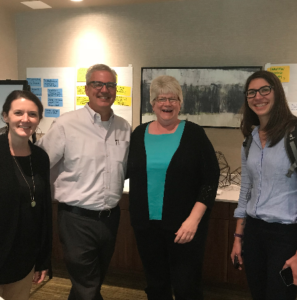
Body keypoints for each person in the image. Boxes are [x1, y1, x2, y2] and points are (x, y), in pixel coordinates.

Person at [36, 64, 131, 300]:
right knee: (88, 286)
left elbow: (125, 169)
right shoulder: (66, 125)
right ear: (87, 89)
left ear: (115, 90)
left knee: (92, 282)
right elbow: (40, 164)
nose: (104, 89)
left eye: (110, 85)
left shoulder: (124, 128)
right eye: (97, 84)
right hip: (76, 220)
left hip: (110, 218)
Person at [127, 75, 219, 300]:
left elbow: (210, 178)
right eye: (161, 99)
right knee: (156, 285)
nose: (167, 104)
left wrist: (193, 220)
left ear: (180, 103)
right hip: (147, 226)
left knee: (186, 286)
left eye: (172, 99)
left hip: (184, 227)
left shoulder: (194, 134)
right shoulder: (139, 134)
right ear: (152, 104)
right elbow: (127, 170)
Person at [230, 70, 297, 300]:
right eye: (251, 92)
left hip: (286, 234)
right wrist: (239, 238)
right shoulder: (250, 139)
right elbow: (246, 189)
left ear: (276, 92)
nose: (258, 97)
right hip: (255, 233)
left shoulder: (294, 133)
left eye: (264, 90)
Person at [0, 90, 52, 300]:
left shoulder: (40, 157)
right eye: (18, 113)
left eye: (32, 114)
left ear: (39, 119)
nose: (25, 119)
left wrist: (42, 260)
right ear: (5, 116)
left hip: (23, 259)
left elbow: (44, 212)